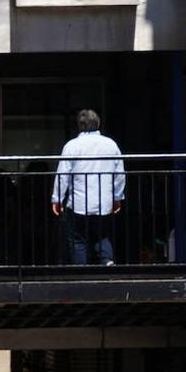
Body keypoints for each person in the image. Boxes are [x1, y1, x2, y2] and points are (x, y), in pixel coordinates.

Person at [52, 109, 125, 266]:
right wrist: (117, 197)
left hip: (79, 203)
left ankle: (82, 270)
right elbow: (119, 174)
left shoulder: (72, 146)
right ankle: (107, 262)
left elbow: (63, 175)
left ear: (79, 125)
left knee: (78, 239)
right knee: (102, 235)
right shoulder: (111, 145)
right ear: (98, 124)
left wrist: (57, 198)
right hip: (103, 203)